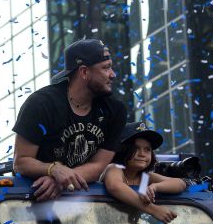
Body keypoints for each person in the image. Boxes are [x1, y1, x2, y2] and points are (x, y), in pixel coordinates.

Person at [13, 38, 127, 201]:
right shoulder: (41, 104)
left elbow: (99, 165)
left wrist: (62, 180)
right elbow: (21, 162)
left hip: (84, 201)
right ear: (84, 72)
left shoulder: (115, 111)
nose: (113, 74)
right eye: (106, 68)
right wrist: (53, 170)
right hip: (32, 198)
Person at [103, 122, 188, 224]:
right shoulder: (114, 168)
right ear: (123, 149)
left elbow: (180, 183)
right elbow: (115, 186)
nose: (142, 154)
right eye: (136, 148)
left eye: (147, 149)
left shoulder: (144, 178)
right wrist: (154, 210)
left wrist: (155, 186)